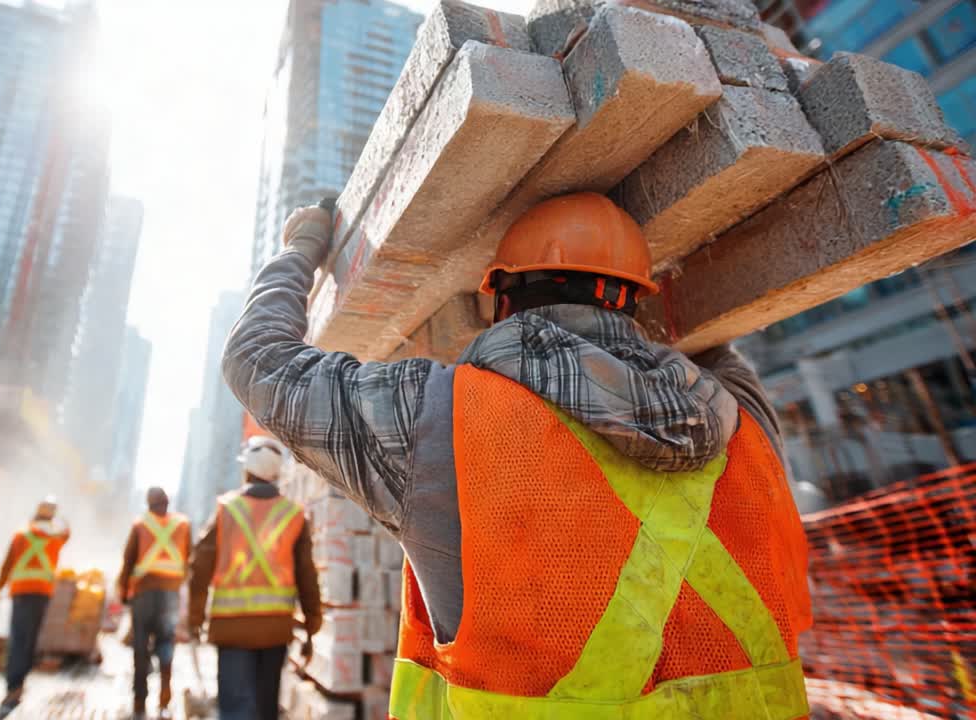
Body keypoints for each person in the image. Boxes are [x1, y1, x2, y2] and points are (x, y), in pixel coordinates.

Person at [221, 194, 811, 718]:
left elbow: (258, 361)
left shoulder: (436, 417)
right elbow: (714, 345)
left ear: (501, 300)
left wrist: (303, 244)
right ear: (635, 301)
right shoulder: (746, 422)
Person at [186, 435, 323, 720]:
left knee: (236, 709)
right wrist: (312, 622)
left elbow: (200, 568)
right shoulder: (293, 515)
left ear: (247, 469)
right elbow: (306, 576)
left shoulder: (227, 509)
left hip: (231, 628)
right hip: (275, 629)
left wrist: (195, 618)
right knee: (264, 709)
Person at [0, 496, 70, 712]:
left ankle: (13, 687)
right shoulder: (55, 537)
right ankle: (19, 684)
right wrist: (57, 515)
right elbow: (67, 531)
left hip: (21, 592)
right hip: (42, 594)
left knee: (18, 638)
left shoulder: (21, 534)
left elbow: (7, 563)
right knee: (30, 639)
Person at [119, 487, 190, 719]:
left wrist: (123, 593)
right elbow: (188, 559)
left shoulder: (140, 525)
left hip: (144, 596)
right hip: (169, 596)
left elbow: (128, 561)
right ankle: (164, 701)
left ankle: (140, 702)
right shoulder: (182, 525)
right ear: (168, 503)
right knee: (166, 645)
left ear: (148, 504)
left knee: (141, 647)